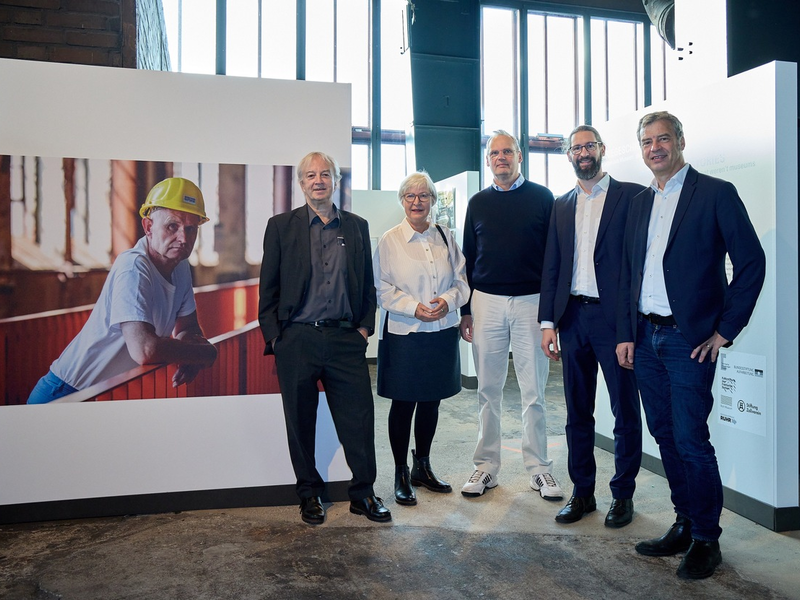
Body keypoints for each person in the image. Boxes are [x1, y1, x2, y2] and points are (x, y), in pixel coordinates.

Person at [616, 111, 766, 579]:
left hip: (689, 340)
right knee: (663, 435)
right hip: (644, 336)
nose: (655, 148)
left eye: (663, 139)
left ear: (681, 141)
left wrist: (725, 330)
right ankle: (683, 522)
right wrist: (625, 332)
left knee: (691, 439)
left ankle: (706, 538)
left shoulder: (716, 193)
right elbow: (628, 273)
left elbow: (751, 262)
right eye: (647, 141)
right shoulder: (640, 202)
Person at [258, 151, 390, 525]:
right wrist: (277, 338)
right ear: (301, 184)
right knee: (300, 422)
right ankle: (309, 493)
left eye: (325, 174)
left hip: (346, 339)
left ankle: (363, 494)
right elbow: (267, 289)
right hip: (297, 339)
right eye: (311, 175)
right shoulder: (281, 227)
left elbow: (367, 283)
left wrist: (364, 328)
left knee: (359, 420)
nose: (319, 180)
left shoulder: (357, 226)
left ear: (337, 180)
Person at [27, 177, 218, 404]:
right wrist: (205, 354)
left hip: (99, 395)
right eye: (172, 226)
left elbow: (187, 327)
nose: (183, 238)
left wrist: (190, 355)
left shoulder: (181, 266)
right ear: (148, 227)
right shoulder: (134, 267)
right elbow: (145, 349)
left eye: (190, 229)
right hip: (66, 393)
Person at [539, 125, 644, 527]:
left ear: (602, 149)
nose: (583, 153)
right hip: (572, 319)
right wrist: (548, 322)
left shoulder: (631, 195)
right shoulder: (561, 205)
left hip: (613, 321)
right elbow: (552, 266)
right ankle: (583, 493)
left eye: (589, 145)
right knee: (576, 412)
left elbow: (638, 265)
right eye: (575, 147)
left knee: (624, 411)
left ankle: (623, 495)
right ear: (567, 155)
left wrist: (628, 329)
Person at [459, 130, 562, 500]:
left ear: (520, 156)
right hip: (486, 302)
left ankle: (539, 469)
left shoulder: (542, 198)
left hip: (532, 303)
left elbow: (554, 259)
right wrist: (465, 309)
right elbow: (468, 259)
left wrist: (550, 314)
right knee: (488, 390)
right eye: (494, 153)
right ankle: (486, 467)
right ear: (488, 161)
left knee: (533, 390)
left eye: (507, 152)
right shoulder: (478, 202)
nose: (501, 158)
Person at [373, 172, 469, 506]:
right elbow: (381, 288)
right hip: (405, 333)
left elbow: (462, 281)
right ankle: (400, 472)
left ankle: (422, 466)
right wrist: (414, 308)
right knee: (404, 403)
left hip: (441, 331)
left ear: (432, 200)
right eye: (411, 196)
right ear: (402, 200)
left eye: (424, 196)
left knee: (432, 400)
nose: (417, 202)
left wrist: (449, 302)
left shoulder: (445, 235)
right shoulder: (389, 240)